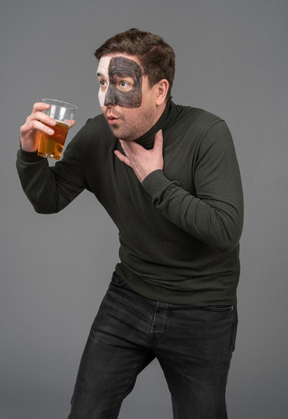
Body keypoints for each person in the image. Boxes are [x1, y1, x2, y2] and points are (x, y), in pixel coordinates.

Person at [17, 28, 244, 419]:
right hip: (129, 297)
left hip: (202, 308)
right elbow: (48, 199)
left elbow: (224, 230)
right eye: (103, 83)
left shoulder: (207, 133)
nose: (108, 99)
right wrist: (31, 156)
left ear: (160, 91)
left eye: (122, 83)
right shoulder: (95, 135)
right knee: (86, 412)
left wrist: (154, 179)